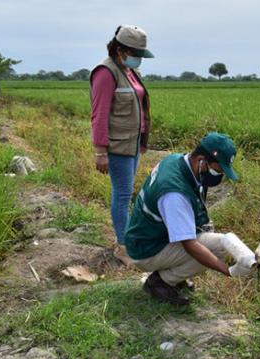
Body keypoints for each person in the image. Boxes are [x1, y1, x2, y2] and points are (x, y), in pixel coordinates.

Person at [125, 133, 248, 305]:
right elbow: (190, 245)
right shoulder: (174, 193)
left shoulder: (176, 160)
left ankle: (173, 276)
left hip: (147, 236)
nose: (219, 175)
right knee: (218, 249)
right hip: (146, 249)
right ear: (201, 161)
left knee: (209, 239)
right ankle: (161, 281)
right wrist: (228, 271)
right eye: (218, 169)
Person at [90, 25, 154, 267]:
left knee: (127, 195)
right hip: (117, 147)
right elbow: (100, 114)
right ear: (120, 50)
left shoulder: (128, 71)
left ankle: (128, 240)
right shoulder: (106, 73)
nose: (138, 58)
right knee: (123, 194)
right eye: (134, 52)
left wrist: (143, 141)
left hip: (133, 144)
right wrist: (100, 151)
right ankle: (123, 247)